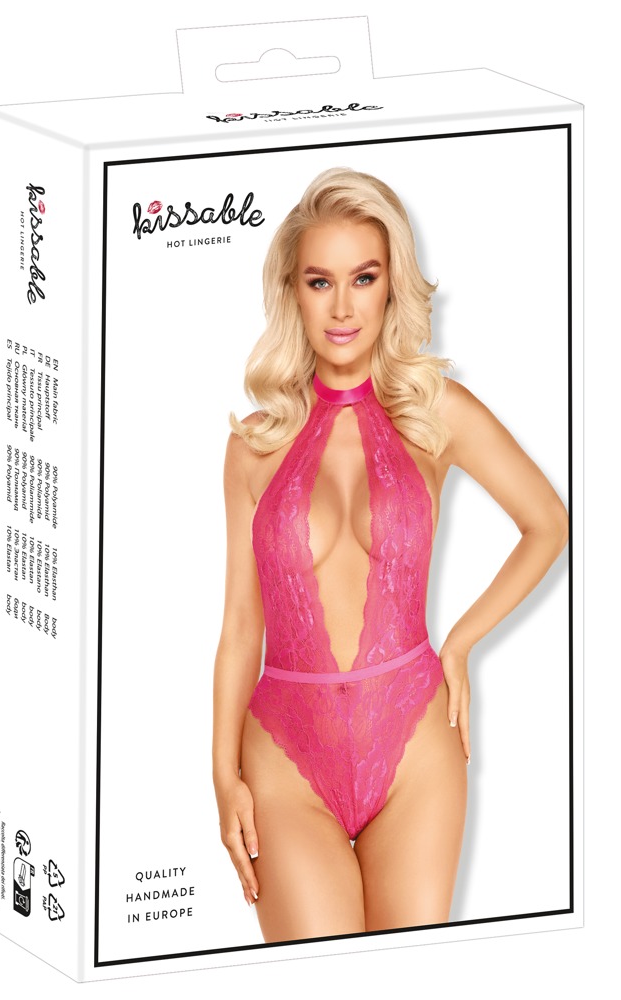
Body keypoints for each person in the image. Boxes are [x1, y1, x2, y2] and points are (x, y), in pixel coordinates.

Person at [212, 167, 568, 942]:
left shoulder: (435, 411)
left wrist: (461, 643)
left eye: (364, 278)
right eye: (320, 281)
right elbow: (241, 625)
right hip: (283, 757)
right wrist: (221, 774)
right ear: (293, 292)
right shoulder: (253, 446)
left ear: (391, 284)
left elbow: (547, 522)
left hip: (414, 746)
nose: (342, 307)